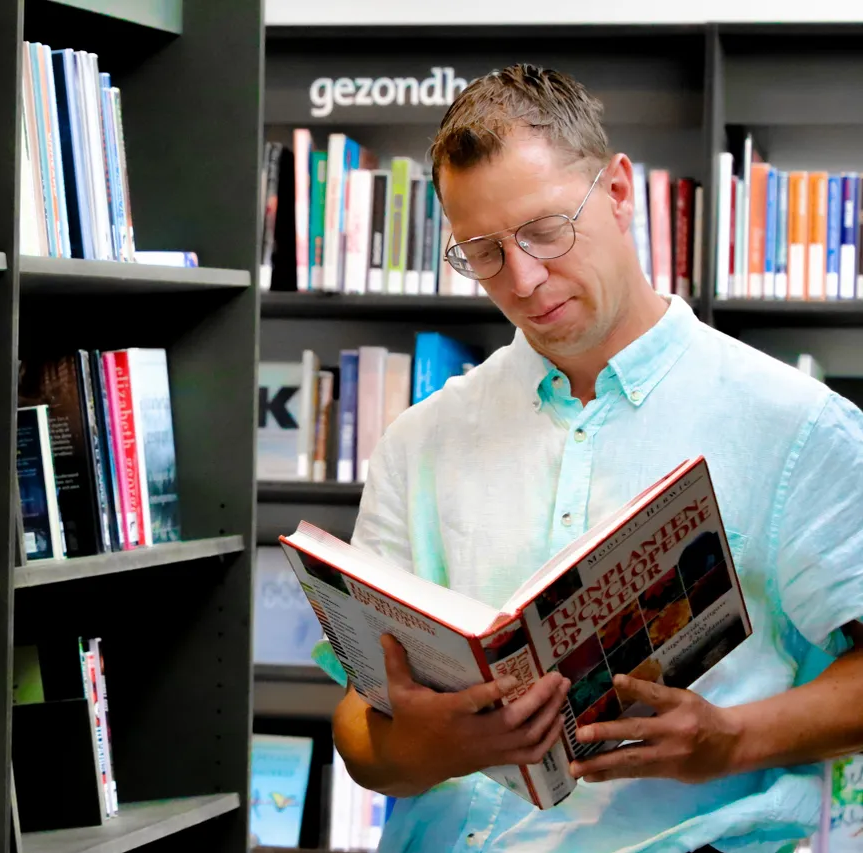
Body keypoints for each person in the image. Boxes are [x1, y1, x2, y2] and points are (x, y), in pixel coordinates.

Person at [312, 63, 863, 853]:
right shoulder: (420, 439)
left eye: (544, 230)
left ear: (618, 190)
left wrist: (729, 740)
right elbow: (361, 730)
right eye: (483, 251)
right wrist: (435, 744)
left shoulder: (796, 426)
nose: (525, 279)